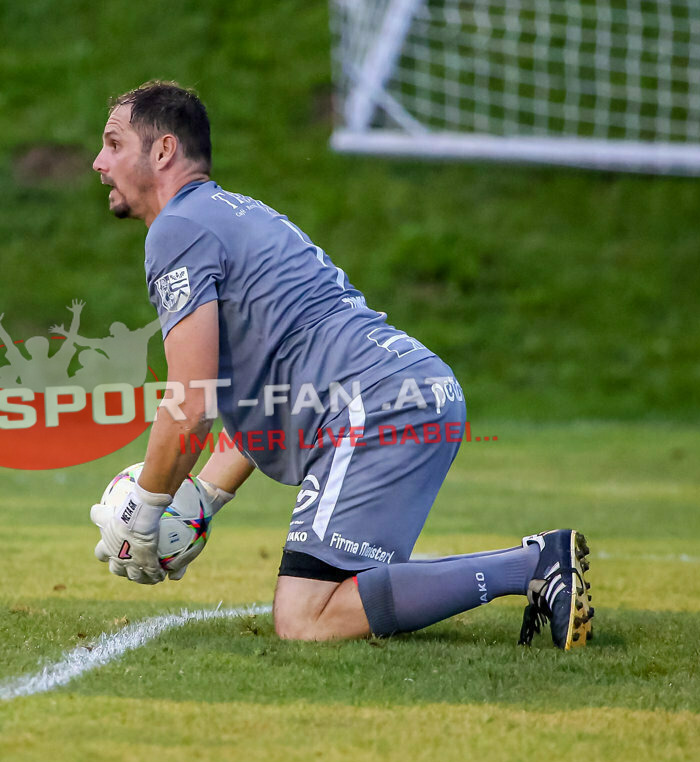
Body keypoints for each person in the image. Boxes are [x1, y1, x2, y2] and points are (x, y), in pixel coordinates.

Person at [88, 81, 593, 649]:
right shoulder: (235, 215)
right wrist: (204, 496)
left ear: (163, 152)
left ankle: (531, 565)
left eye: (112, 143)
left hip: (373, 406)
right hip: (407, 389)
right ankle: (533, 565)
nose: (98, 162)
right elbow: (274, 387)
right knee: (352, 594)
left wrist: (147, 506)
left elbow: (190, 404)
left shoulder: (177, 230)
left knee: (305, 618)